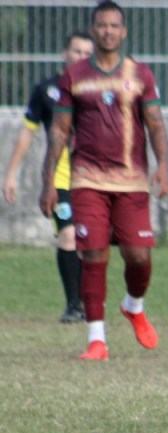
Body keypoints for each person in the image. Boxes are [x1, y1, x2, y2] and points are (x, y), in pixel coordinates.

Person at [39, 0, 168, 361]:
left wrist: (163, 166)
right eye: (102, 25)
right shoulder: (74, 75)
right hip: (87, 179)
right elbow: (59, 130)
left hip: (131, 180)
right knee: (93, 253)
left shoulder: (140, 74)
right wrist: (48, 179)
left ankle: (133, 305)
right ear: (93, 29)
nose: (108, 31)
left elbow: (156, 124)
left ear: (123, 31)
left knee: (138, 256)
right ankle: (96, 340)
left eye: (114, 25)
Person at [4, 31, 93, 324]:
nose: (82, 57)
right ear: (64, 54)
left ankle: (89, 303)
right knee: (68, 234)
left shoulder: (98, 89)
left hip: (93, 176)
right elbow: (27, 132)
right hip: (60, 176)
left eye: (87, 53)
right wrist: (11, 174)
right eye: (77, 51)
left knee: (89, 242)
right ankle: (73, 306)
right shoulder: (46, 90)